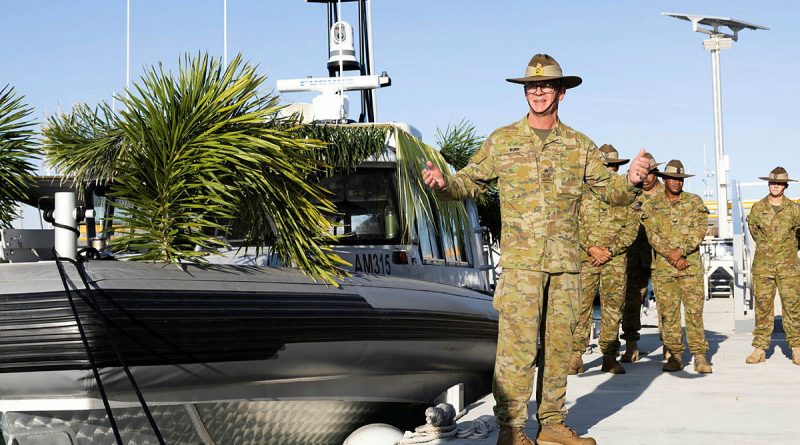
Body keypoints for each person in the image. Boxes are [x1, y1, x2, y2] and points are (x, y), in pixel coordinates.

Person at [421, 53, 651, 445]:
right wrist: (443, 185)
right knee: (517, 350)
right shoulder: (503, 140)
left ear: (562, 93)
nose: (538, 92)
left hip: (565, 265)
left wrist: (629, 180)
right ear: (525, 92)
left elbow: (611, 193)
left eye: (546, 86)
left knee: (560, 347)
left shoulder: (579, 145)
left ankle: (552, 424)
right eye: (532, 86)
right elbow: (469, 182)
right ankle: (511, 430)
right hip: (522, 266)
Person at [568, 144, 640, 375]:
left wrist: (609, 250)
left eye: (613, 166)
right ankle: (576, 356)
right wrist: (590, 247)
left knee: (612, 309)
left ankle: (609, 356)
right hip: (585, 259)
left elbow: (632, 228)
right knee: (580, 308)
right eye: (605, 165)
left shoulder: (629, 194)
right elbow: (571, 224)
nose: (609, 169)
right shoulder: (579, 193)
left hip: (614, 262)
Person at [640, 160, 712, 373]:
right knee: (668, 314)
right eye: (673, 178)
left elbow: (699, 230)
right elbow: (651, 234)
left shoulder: (694, 201)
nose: (677, 183)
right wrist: (671, 256)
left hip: (689, 267)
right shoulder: (651, 206)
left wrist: (681, 251)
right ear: (664, 179)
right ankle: (675, 355)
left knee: (694, 313)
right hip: (664, 269)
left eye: (680, 179)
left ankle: (700, 355)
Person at [745, 167, 800, 365]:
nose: (775, 186)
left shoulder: (794, 210)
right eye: (772, 183)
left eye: (779, 183)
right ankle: (760, 349)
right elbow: (754, 232)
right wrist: (770, 249)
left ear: (785, 186)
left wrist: (787, 250)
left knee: (793, 306)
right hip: (764, 266)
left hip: (789, 267)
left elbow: (799, 236)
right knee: (762, 307)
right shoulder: (758, 208)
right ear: (769, 184)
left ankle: (797, 348)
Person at [620, 153, 664, 362]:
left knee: (666, 304)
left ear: (655, 173)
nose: (646, 178)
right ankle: (631, 344)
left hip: (661, 259)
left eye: (649, 173)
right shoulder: (630, 193)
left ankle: (669, 344)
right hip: (634, 257)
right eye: (643, 173)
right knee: (631, 302)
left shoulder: (668, 194)